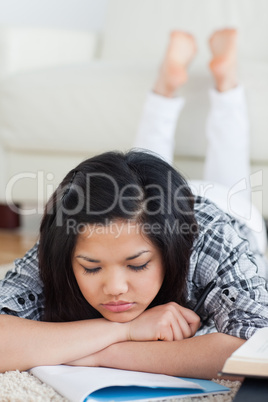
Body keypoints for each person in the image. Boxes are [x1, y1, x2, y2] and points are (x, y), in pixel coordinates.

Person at [0, 29, 268, 379]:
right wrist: (124, 329)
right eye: (92, 268)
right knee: (137, 173)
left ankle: (224, 84)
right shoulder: (72, 237)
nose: (114, 288)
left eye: (138, 265)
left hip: (229, 209)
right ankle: (168, 85)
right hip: (147, 210)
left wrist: (100, 356)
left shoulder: (212, 239)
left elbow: (251, 347)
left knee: (227, 172)